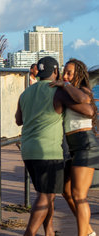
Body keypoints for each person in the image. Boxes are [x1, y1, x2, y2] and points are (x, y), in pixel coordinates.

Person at [14, 57, 94, 236]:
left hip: (27, 150)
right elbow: (87, 109)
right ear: (55, 72)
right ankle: (29, 233)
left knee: (45, 193)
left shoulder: (25, 94)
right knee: (46, 195)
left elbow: (18, 120)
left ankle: (49, 232)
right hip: (48, 150)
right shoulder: (56, 91)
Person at [50, 58, 98, 236]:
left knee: (79, 196)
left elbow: (84, 100)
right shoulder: (68, 92)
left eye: (69, 72)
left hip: (86, 145)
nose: (65, 75)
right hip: (73, 147)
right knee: (66, 191)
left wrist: (64, 84)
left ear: (78, 74)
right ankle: (89, 232)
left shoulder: (82, 90)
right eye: (64, 72)